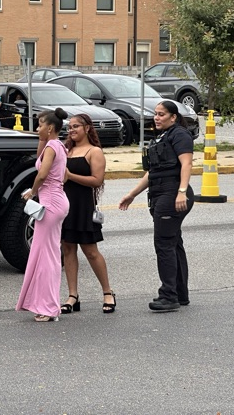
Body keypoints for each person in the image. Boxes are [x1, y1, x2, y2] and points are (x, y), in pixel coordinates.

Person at [119, 100, 194, 312]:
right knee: (173, 242)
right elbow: (153, 172)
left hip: (172, 192)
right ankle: (180, 293)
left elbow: (187, 163)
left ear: (173, 117)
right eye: (155, 113)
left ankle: (168, 296)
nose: (157, 117)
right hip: (160, 191)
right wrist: (132, 194)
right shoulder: (161, 137)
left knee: (164, 244)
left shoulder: (179, 135)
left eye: (162, 114)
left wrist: (181, 192)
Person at [16, 108, 70, 322]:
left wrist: (33, 192)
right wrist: (42, 137)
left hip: (51, 204)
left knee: (48, 257)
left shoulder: (53, 147)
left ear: (50, 128)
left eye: (40, 125)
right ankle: (45, 304)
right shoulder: (57, 146)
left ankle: (49, 307)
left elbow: (42, 173)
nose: (37, 128)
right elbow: (47, 165)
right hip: (55, 201)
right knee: (44, 254)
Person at [60, 114, 116, 315]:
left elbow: (97, 180)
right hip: (65, 206)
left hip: (83, 206)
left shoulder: (94, 151)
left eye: (76, 126)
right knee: (67, 249)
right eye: (69, 127)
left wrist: (70, 176)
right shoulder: (67, 150)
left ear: (87, 128)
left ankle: (108, 292)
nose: (71, 130)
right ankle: (72, 296)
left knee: (90, 251)